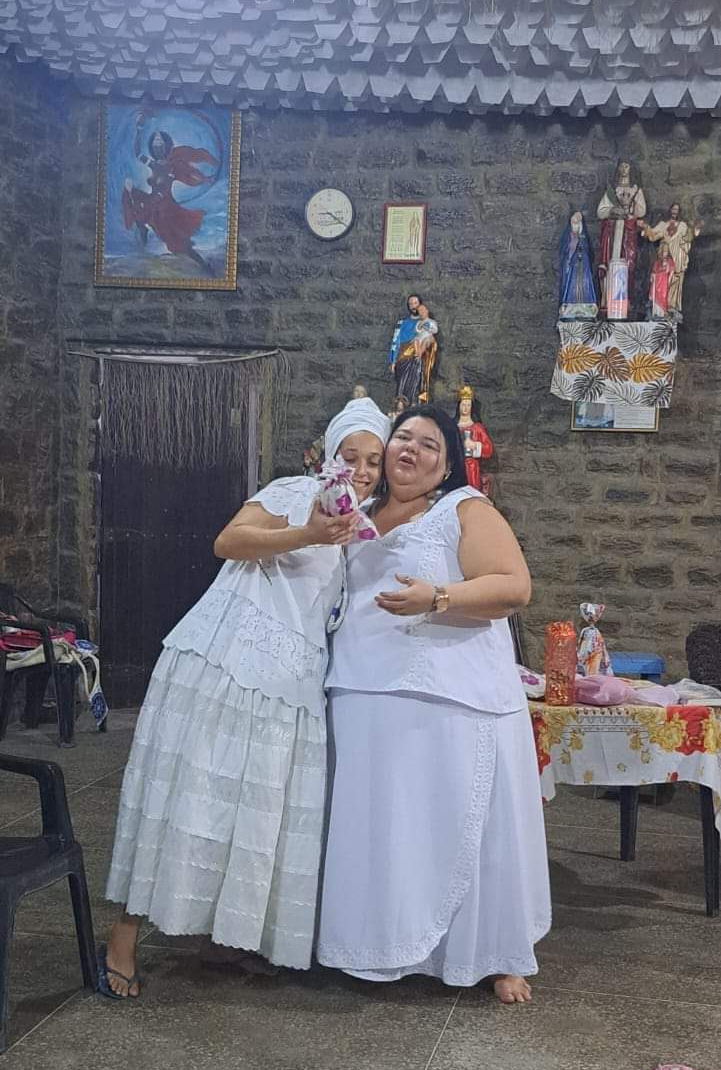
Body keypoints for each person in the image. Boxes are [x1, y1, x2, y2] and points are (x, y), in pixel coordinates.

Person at [99, 396, 389, 998]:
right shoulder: (294, 491)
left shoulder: (364, 528)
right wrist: (307, 532)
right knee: (188, 794)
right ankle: (123, 934)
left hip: (289, 682)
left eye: (373, 460)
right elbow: (228, 541)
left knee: (250, 809)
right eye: (351, 456)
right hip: (229, 662)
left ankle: (222, 931)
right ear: (328, 455)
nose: (361, 470)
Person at [317, 406, 551, 1002]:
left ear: (447, 465)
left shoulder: (463, 509)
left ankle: (493, 954)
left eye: (428, 444)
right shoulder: (354, 512)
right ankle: (375, 945)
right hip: (365, 691)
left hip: (454, 695)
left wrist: (437, 597)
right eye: (402, 437)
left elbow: (513, 586)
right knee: (386, 828)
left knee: (462, 824)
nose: (410, 449)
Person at [122, 113, 219, 270]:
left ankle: (204, 265)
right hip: (154, 203)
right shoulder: (153, 164)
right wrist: (139, 128)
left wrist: (205, 179)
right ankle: (142, 232)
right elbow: (138, 153)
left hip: (166, 208)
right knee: (132, 196)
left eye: (160, 142)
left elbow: (179, 179)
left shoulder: (171, 165)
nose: (157, 145)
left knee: (179, 244)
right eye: (155, 142)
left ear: (166, 145)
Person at [596, 160, 646, 313]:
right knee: (608, 264)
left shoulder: (636, 190)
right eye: (622, 166)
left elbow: (641, 211)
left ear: (631, 169)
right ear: (617, 168)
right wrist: (613, 211)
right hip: (612, 233)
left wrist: (632, 206)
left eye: (627, 166)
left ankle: (624, 300)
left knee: (628, 264)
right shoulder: (612, 190)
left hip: (628, 233)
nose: (624, 169)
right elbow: (601, 211)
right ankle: (607, 300)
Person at [558, 210, 597, 320]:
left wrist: (582, 251)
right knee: (571, 285)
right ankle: (569, 306)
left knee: (585, 284)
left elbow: (589, 252)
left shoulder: (584, 237)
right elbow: (565, 252)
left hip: (583, 268)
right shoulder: (568, 237)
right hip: (572, 268)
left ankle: (587, 306)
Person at [455, 384, 494, 492]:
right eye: (463, 404)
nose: (465, 408)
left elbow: (488, 449)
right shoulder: (453, 426)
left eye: (468, 405)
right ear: (459, 406)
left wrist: (474, 445)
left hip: (471, 468)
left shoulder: (477, 428)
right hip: (456, 467)